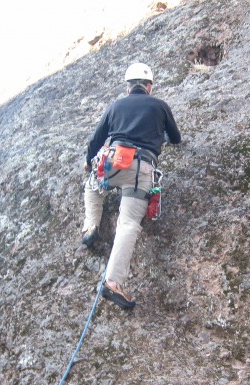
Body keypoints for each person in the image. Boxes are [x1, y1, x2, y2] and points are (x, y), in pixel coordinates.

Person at [82, 63, 181, 310]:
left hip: (113, 161)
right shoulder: (160, 106)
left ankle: (90, 226)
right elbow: (176, 138)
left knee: (93, 186)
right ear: (149, 87)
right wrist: (162, 136)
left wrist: (88, 163)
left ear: (128, 89)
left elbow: (95, 141)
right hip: (141, 169)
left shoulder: (115, 106)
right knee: (127, 224)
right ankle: (112, 282)